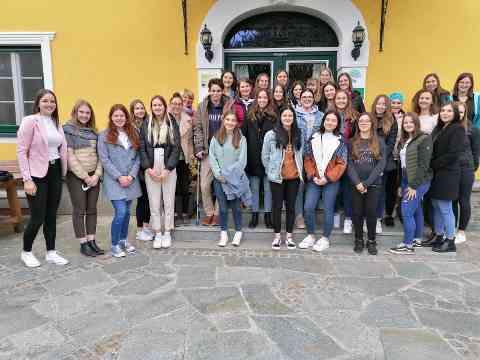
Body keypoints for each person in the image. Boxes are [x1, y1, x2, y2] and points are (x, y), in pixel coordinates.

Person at [17, 89, 69, 267]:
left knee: (51, 216)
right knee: (37, 216)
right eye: (45, 101)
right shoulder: (30, 121)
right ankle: (26, 251)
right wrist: (27, 179)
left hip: (54, 172)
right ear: (38, 103)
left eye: (52, 101)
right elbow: (22, 151)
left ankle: (51, 252)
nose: (49, 104)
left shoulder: (56, 122)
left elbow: (60, 148)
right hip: (37, 174)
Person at [299, 110, 347, 252]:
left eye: (333, 120)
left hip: (331, 180)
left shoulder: (341, 141)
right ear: (323, 121)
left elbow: (341, 163)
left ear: (337, 123)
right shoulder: (313, 137)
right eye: (328, 119)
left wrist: (327, 178)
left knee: (328, 209)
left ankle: (325, 238)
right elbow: (307, 158)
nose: (330, 122)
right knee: (308, 207)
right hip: (314, 178)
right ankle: (311, 235)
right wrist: (313, 175)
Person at [98, 104, 141, 258]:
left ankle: (123, 240)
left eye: (122, 115)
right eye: (116, 116)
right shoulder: (103, 135)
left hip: (130, 179)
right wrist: (119, 177)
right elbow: (104, 159)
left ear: (126, 117)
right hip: (114, 180)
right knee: (121, 212)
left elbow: (137, 158)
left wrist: (131, 176)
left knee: (128, 212)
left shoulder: (134, 132)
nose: (119, 118)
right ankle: (115, 244)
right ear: (111, 117)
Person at [63, 100, 104, 257]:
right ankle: (83, 243)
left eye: (87, 113)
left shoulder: (94, 133)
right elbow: (70, 157)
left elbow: (101, 156)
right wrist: (86, 177)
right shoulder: (67, 131)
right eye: (81, 112)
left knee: (92, 209)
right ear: (75, 112)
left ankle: (92, 241)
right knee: (79, 210)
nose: (84, 115)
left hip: (94, 176)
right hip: (77, 177)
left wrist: (97, 175)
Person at [139, 95, 180, 249]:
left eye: (160, 105)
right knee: (154, 202)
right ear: (152, 107)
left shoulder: (171, 121)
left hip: (168, 165)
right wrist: (147, 168)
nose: (157, 108)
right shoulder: (146, 123)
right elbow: (142, 147)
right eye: (154, 105)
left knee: (168, 202)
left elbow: (176, 146)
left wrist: (168, 168)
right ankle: (157, 233)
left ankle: (167, 232)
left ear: (164, 106)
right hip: (151, 165)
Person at [425, 102, 466, 253]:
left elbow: (453, 154)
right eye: (443, 110)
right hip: (437, 174)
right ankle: (439, 236)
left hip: (448, 174)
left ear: (455, 113)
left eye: (449, 111)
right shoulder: (440, 128)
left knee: (445, 208)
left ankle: (450, 241)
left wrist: (433, 164)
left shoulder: (458, 129)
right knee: (436, 205)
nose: (445, 113)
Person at [389, 112, 433, 254]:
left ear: (416, 123)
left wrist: (413, 186)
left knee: (406, 211)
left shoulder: (424, 138)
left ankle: (407, 245)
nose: (408, 124)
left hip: (418, 181)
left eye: (411, 122)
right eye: (405, 122)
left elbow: (423, 165)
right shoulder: (405, 140)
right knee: (417, 209)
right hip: (406, 179)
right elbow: (403, 164)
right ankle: (416, 239)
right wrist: (402, 184)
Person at [262, 107, 303, 250]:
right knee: (277, 206)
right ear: (280, 117)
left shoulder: (298, 133)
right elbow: (265, 156)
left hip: (294, 177)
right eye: (284, 115)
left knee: (291, 207)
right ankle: (277, 236)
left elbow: (301, 154)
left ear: (293, 117)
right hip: (277, 177)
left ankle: (289, 237)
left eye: (290, 115)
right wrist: (270, 171)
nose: (287, 118)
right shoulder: (271, 135)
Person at [194, 78, 233, 226]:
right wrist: (198, 148)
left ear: (222, 91)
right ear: (209, 91)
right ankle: (209, 212)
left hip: (223, 152)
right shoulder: (202, 107)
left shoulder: (229, 106)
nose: (215, 93)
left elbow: (232, 127)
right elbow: (197, 128)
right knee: (204, 185)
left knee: (222, 183)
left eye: (218, 90)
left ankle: (217, 214)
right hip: (207, 152)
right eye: (213, 90)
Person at [347, 112, 386, 255]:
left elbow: (381, 164)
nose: (364, 123)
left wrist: (367, 183)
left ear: (371, 124)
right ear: (358, 124)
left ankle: (371, 240)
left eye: (367, 121)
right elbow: (349, 164)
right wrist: (357, 183)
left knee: (371, 213)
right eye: (361, 121)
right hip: (355, 184)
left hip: (373, 184)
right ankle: (358, 239)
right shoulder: (352, 142)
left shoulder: (379, 141)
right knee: (357, 213)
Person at [209, 111, 249, 247]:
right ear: (223, 120)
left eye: (233, 120)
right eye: (228, 120)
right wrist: (219, 174)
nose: (230, 122)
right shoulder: (216, 138)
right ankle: (224, 233)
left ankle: (238, 232)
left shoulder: (241, 139)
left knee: (236, 207)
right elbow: (212, 157)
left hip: (234, 180)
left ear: (237, 123)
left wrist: (229, 176)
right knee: (223, 208)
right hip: (219, 179)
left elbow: (241, 161)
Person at [242, 89, 276, 228]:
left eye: (265, 97)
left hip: (268, 158)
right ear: (256, 99)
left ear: (268, 99)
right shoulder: (249, 115)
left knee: (268, 189)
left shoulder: (274, 117)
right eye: (260, 97)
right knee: (254, 189)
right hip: (253, 157)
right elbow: (243, 136)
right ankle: (254, 215)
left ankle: (268, 215)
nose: (262, 100)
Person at [295, 89, 324, 229]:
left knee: (312, 183)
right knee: (299, 186)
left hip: (315, 156)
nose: (307, 99)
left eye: (309, 97)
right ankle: (299, 215)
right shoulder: (294, 114)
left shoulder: (321, 115)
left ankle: (310, 213)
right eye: (304, 97)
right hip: (298, 154)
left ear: (314, 99)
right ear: (300, 99)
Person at [453, 102, 480, 244]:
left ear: (465, 113)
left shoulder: (472, 129)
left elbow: (476, 153)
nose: (459, 114)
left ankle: (461, 231)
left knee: (463, 200)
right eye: (456, 111)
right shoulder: (447, 127)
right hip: (450, 170)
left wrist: (471, 168)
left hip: (466, 169)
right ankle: (451, 229)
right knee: (452, 200)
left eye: (462, 112)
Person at [333, 89, 359, 234]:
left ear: (348, 100)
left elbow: (357, 138)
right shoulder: (330, 115)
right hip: (334, 157)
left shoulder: (354, 116)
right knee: (335, 187)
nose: (341, 101)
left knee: (349, 189)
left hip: (349, 156)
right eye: (339, 98)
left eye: (344, 98)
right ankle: (335, 213)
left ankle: (348, 218)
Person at [372, 95, 398, 231]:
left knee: (380, 192)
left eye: (384, 104)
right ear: (375, 104)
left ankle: (377, 219)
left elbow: (391, 143)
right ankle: (367, 218)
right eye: (379, 103)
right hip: (368, 161)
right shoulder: (369, 118)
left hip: (383, 162)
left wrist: (380, 161)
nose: (381, 106)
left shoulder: (392, 121)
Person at [130, 99, 153, 241]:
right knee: (142, 199)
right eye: (137, 108)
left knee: (149, 198)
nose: (140, 111)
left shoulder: (148, 123)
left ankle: (146, 227)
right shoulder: (131, 127)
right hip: (137, 168)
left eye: (142, 108)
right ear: (132, 111)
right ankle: (139, 229)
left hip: (148, 164)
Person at [169, 92, 194, 226]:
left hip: (183, 158)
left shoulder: (188, 119)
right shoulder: (164, 119)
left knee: (184, 187)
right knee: (172, 188)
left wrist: (192, 155)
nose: (177, 106)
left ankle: (184, 213)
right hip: (168, 158)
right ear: (170, 104)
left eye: (179, 104)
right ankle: (173, 213)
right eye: (174, 103)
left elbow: (191, 141)